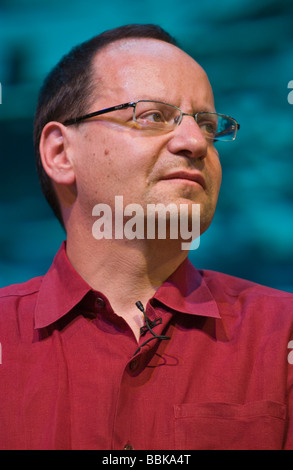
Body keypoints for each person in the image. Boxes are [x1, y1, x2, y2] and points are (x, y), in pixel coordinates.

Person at [0, 24, 292, 451]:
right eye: (153, 115)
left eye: (208, 125)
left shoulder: (282, 334)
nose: (195, 142)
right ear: (62, 153)